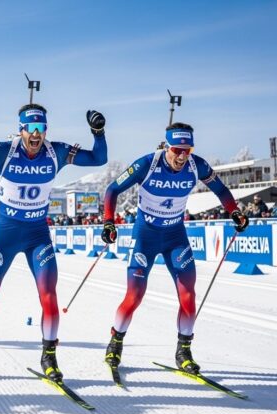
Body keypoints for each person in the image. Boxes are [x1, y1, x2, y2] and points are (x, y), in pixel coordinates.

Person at [0, 104, 107, 382]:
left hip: (37, 237)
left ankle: (49, 356)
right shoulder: (5, 150)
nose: (36, 135)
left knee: (49, 296)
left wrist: (98, 131)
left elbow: (98, 159)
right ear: (21, 129)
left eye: (41, 129)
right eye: (30, 129)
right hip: (6, 236)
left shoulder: (55, 151)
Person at [100, 122, 248, 374]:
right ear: (167, 146)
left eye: (186, 150)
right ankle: (116, 342)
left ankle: (184, 351)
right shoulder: (147, 163)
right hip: (145, 236)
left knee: (188, 295)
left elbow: (221, 190)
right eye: (177, 149)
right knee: (134, 296)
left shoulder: (196, 165)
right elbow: (112, 190)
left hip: (175, 237)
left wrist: (234, 212)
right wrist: (108, 221)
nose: (181, 156)